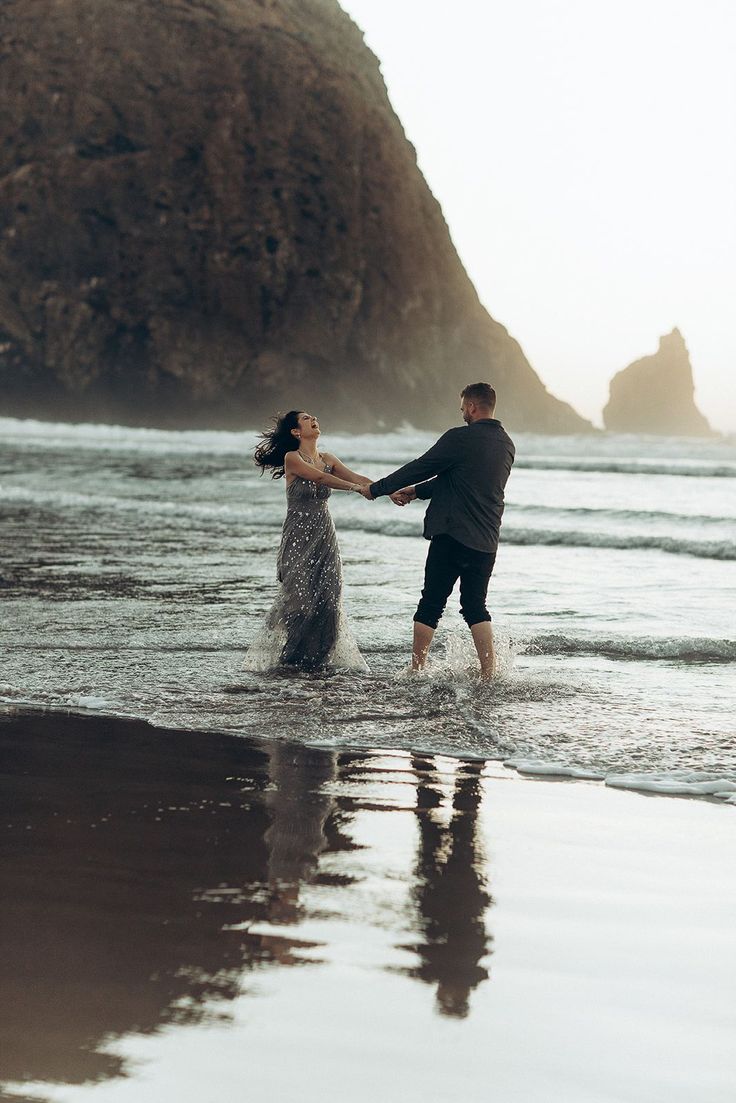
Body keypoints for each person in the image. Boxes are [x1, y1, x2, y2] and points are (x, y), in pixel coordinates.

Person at [360, 383, 514, 678]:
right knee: (475, 605)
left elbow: (422, 466)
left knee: (431, 602)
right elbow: (461, 480)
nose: (461, 414)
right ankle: (489, 675)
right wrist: (417, 492)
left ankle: (417, 670)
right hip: (486, 540)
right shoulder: (506, 444)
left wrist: (377, 489)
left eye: (462, 409)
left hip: (453, 534)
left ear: (471, 407)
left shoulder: (460, 438)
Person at [244, 410, 370, 672]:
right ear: (295, 431)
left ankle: (318, 662)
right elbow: (320, 478)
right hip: (298, 537)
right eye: (305, 418)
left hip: (325, 536)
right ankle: (289, 662)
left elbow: (358, 478)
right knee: (300, 603)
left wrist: (390, 490)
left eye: (313, 416)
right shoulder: (292, 458)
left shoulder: (328, 458)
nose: (313, 419)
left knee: (329, 599)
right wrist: (355, 489)